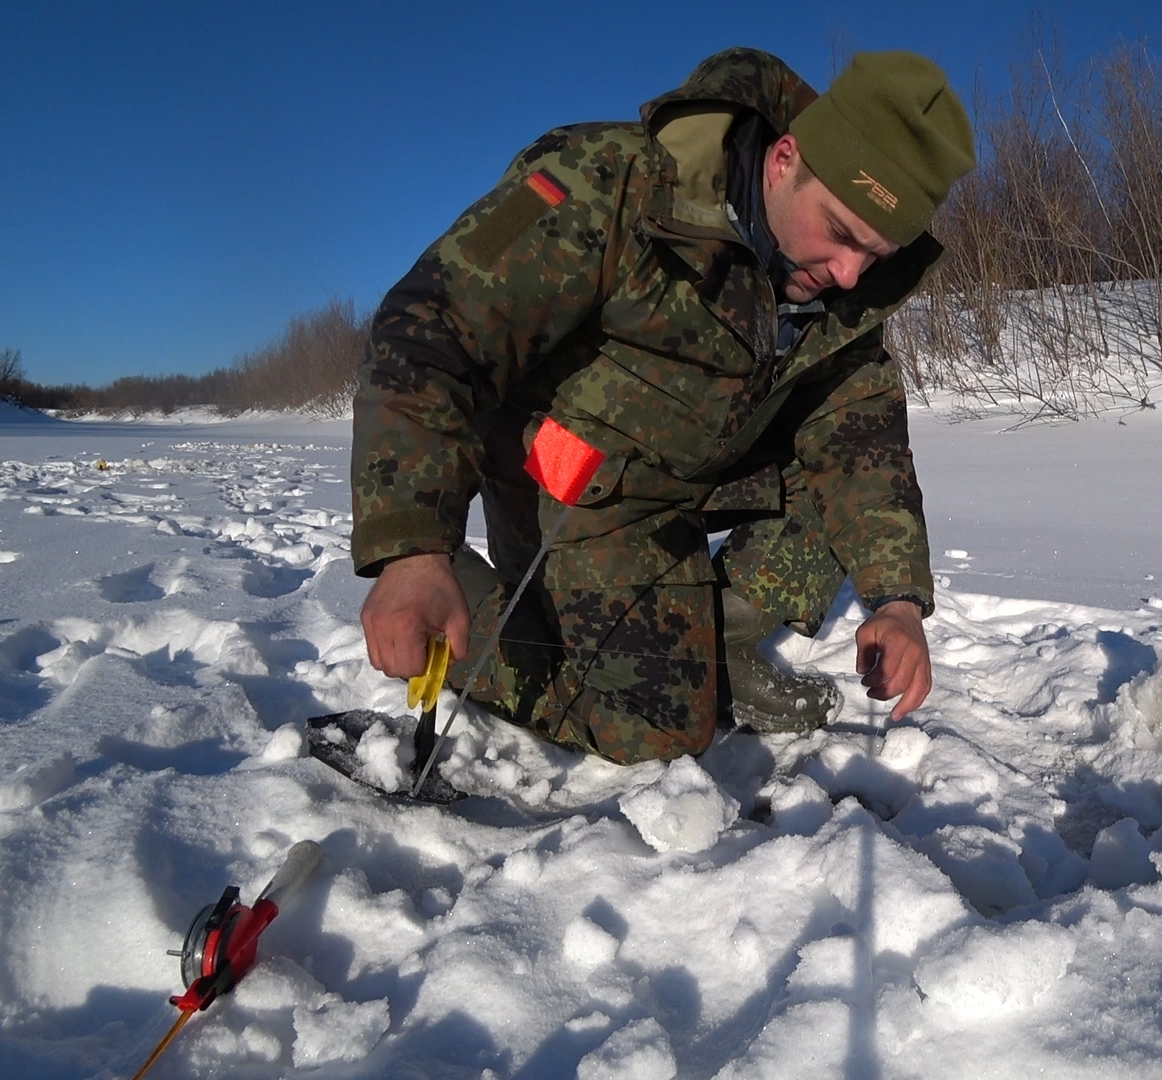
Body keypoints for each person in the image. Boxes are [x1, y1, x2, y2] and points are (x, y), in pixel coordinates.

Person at [348, 47, 975, 765]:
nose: (848, 273)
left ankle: (708, 655)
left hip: (693, 468)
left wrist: (896, 601)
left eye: (876, 253)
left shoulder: (839, 286)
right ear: (785, 159)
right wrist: (411, 549)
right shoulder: (610, 182)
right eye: (839, 232)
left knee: (831, 493)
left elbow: (860, 435)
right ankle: (459, 598)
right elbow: (432, 326)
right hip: (577, 482)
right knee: (659, 737)